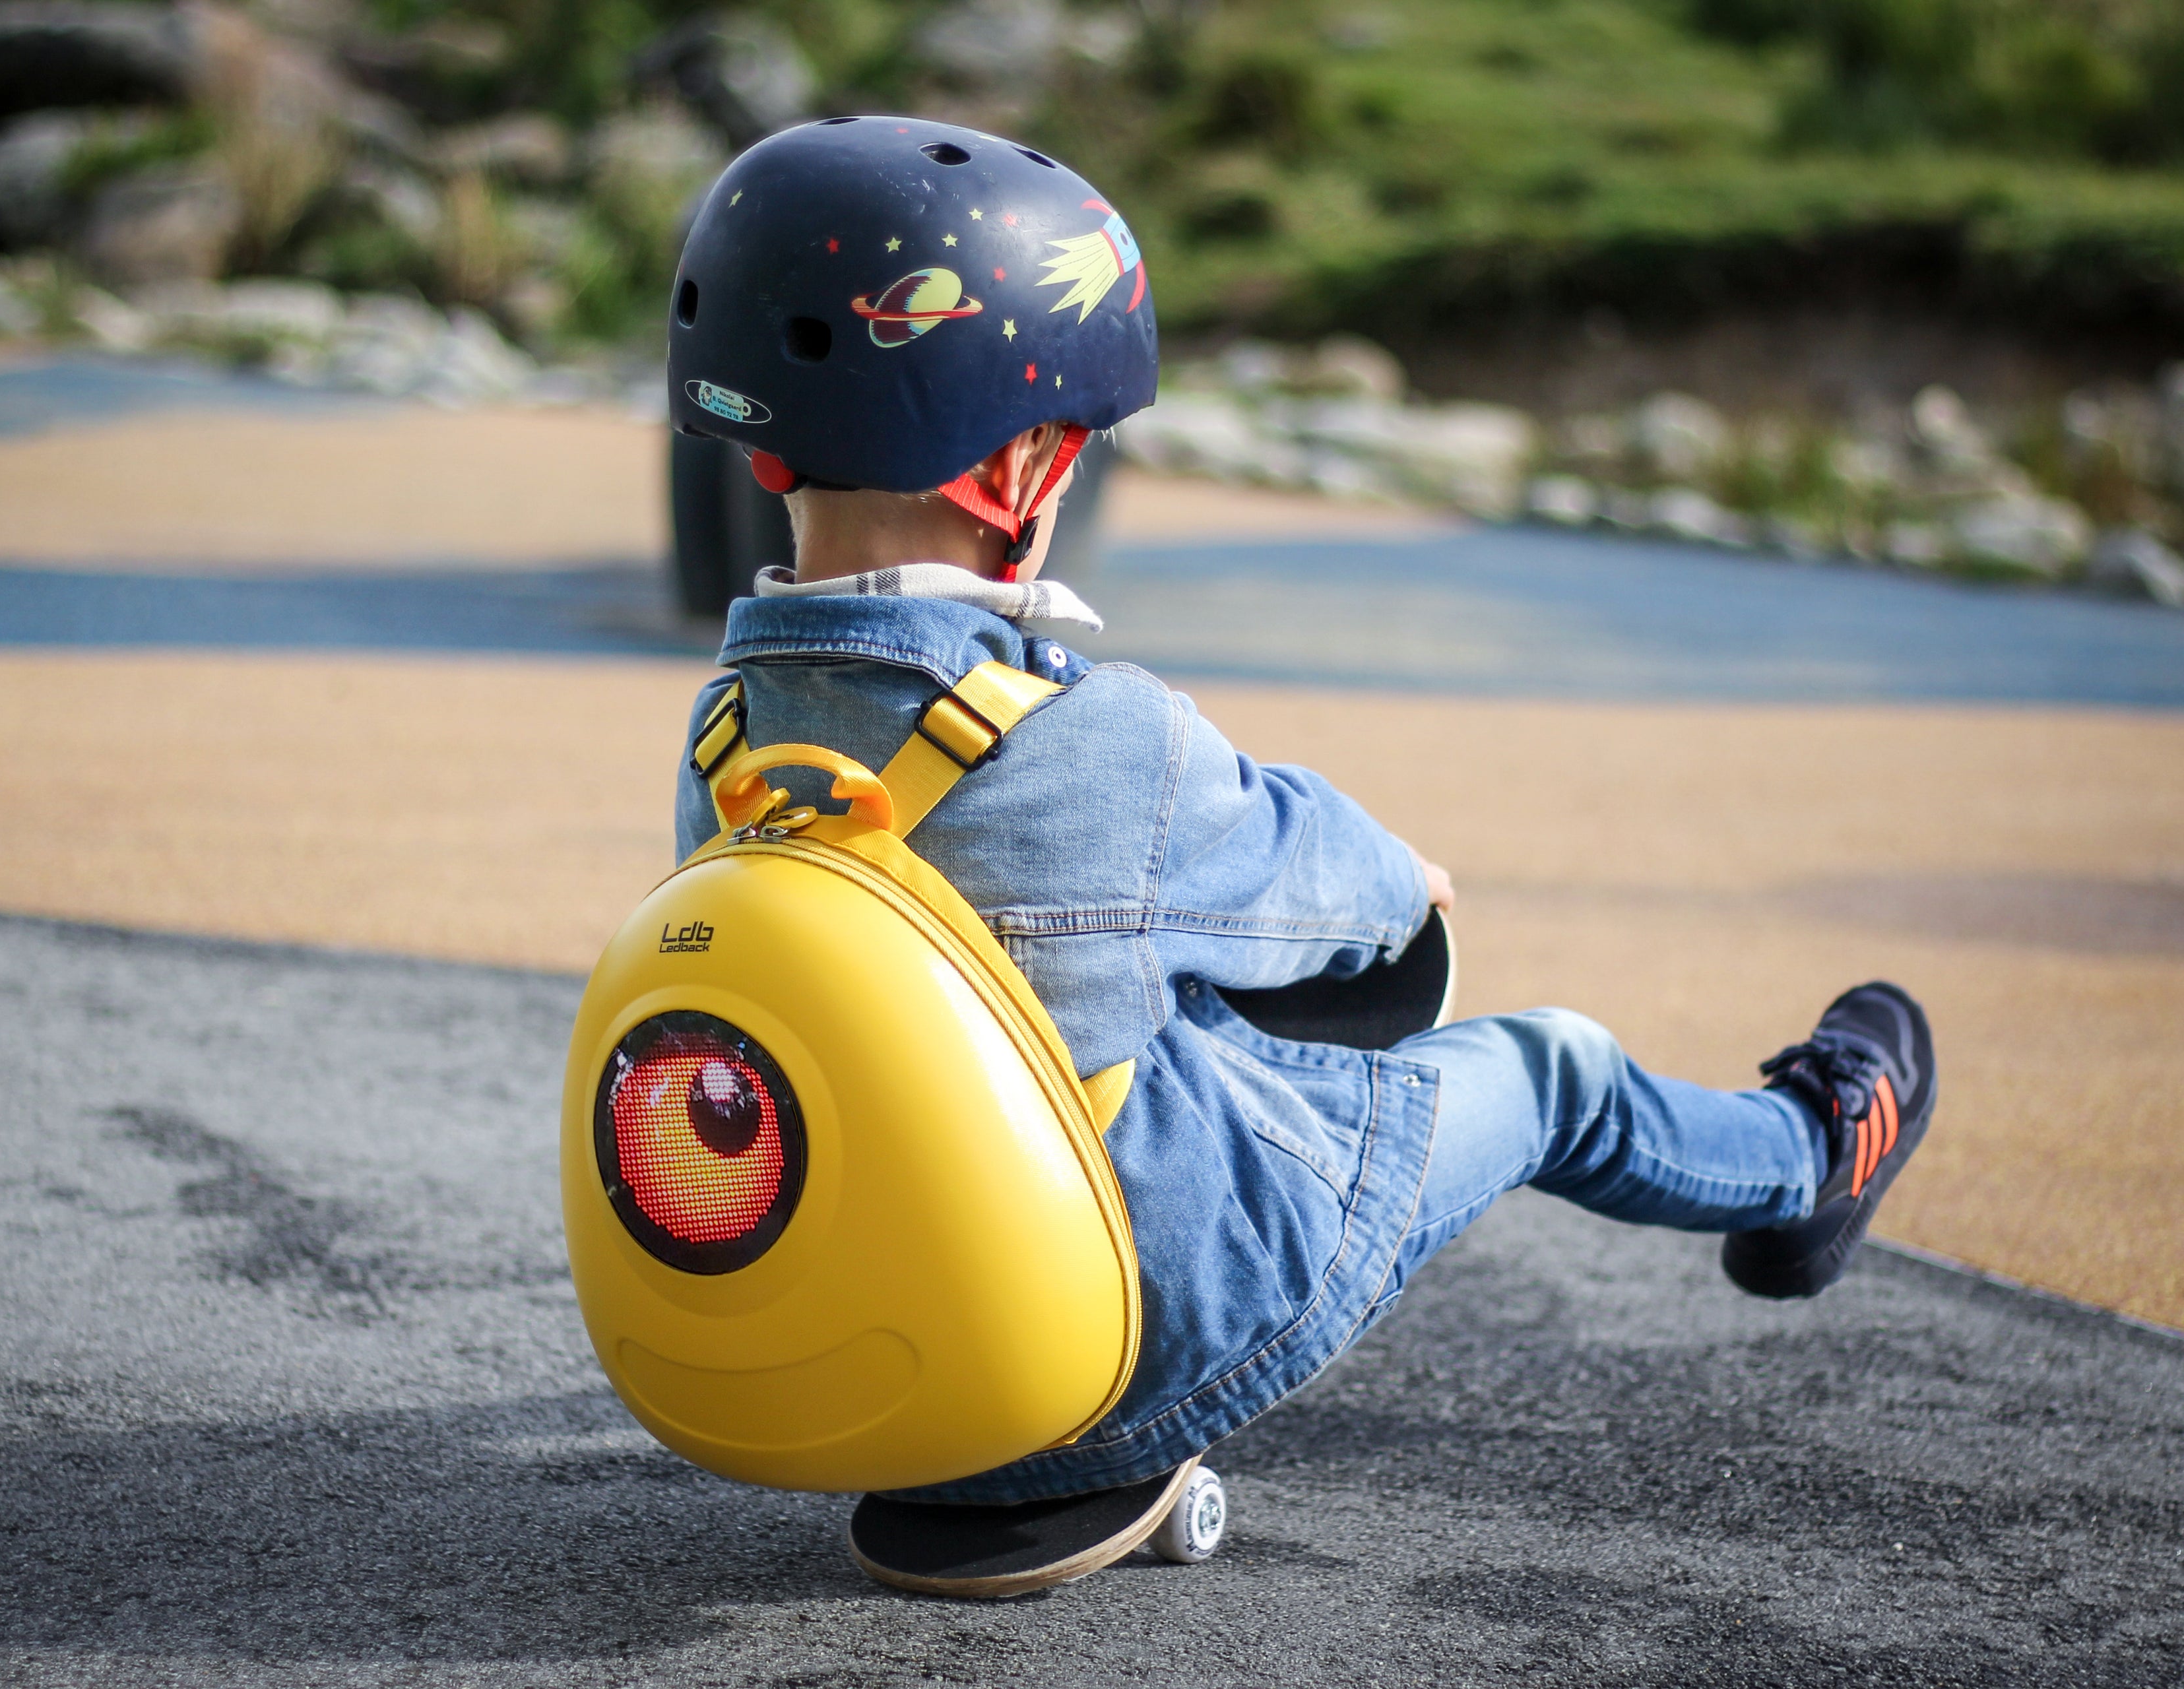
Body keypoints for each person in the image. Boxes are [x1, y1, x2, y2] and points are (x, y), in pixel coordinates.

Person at [664, 117, 1937, 1520]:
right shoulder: (1099, 740)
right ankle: (1814, 1152)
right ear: (1016, 472)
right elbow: (1339, 889)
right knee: (1556, 1069)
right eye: (1071, 442)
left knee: (1132, 1017)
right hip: (1112, 1346)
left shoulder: (725, 742)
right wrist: (1407, 879)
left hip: (869, 1359)